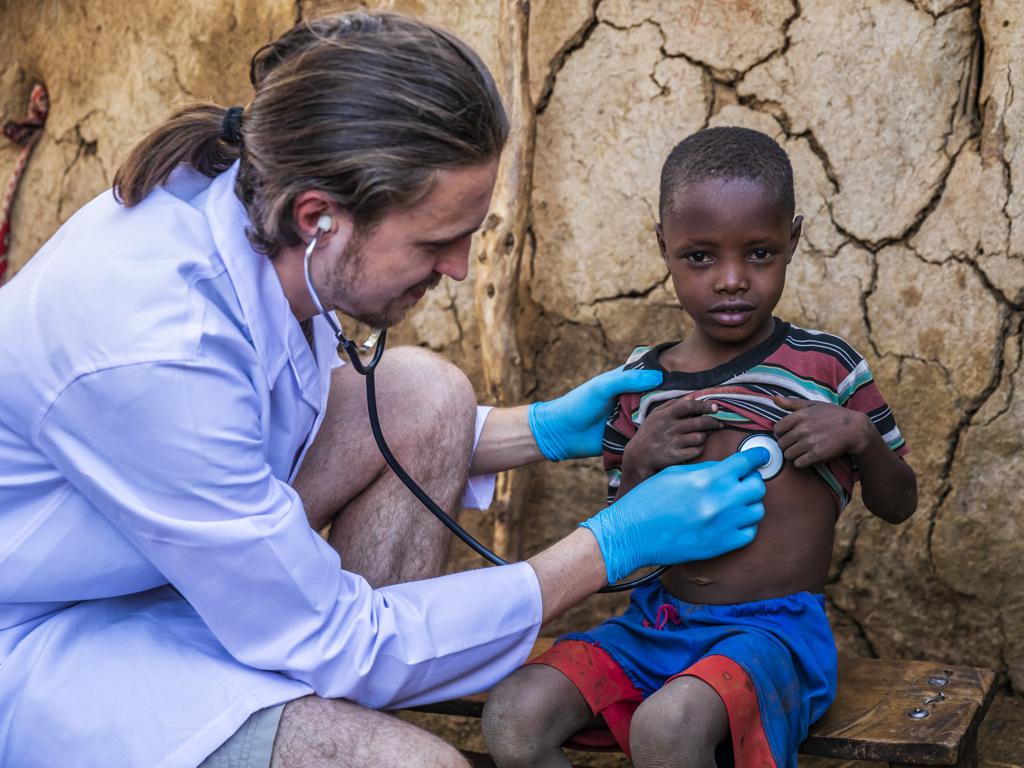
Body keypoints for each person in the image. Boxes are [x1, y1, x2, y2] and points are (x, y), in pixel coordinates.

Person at [0, 14, 774, 768]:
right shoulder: (150, 350)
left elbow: (265, 427)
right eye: (437, 241)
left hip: (168, 567)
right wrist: (610, 547)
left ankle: (323, 713)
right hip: (51, 636)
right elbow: (342, 636)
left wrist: (538, 431)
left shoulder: (248, 204)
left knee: (424, 395)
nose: (463, 267)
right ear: (320, 218)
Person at [481, 127, 919, 768]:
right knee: (513, 716)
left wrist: (859, 437)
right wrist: (636, 463)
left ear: (793, 241)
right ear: (663, 246)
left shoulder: (827, 368)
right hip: (654, 625)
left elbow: (899, 502)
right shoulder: (642, 380)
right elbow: (620, 542)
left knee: (668, 729)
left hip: (771, 635)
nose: (732, 280)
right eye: (700, 257)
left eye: (761, 253)